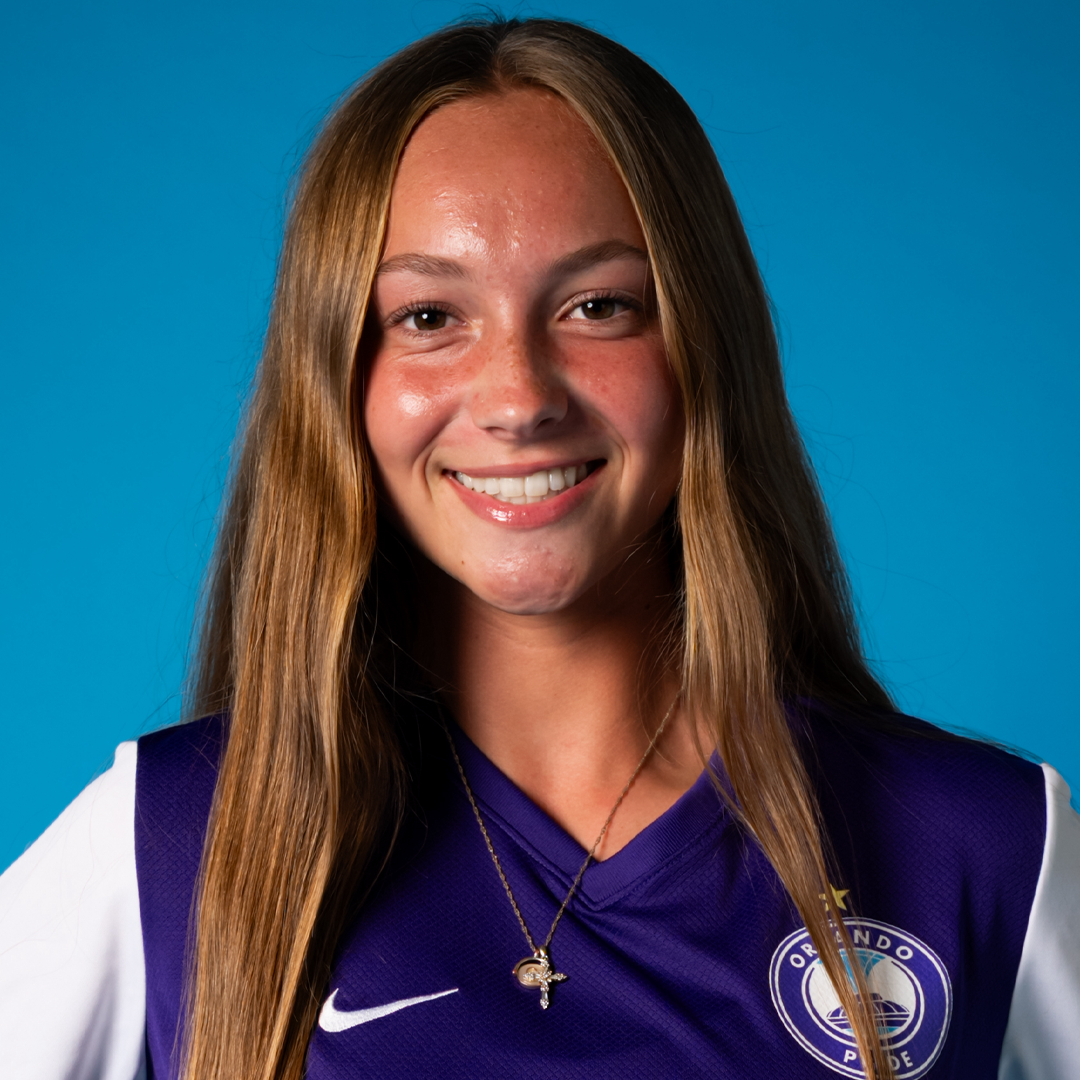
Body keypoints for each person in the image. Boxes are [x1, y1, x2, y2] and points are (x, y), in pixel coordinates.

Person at [0, 16, 1077, 1080]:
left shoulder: (984, 847)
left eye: (599, 306)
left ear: (706, 348)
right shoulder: (167, 846)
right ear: (338, 379)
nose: (518, 398)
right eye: (428, 317)